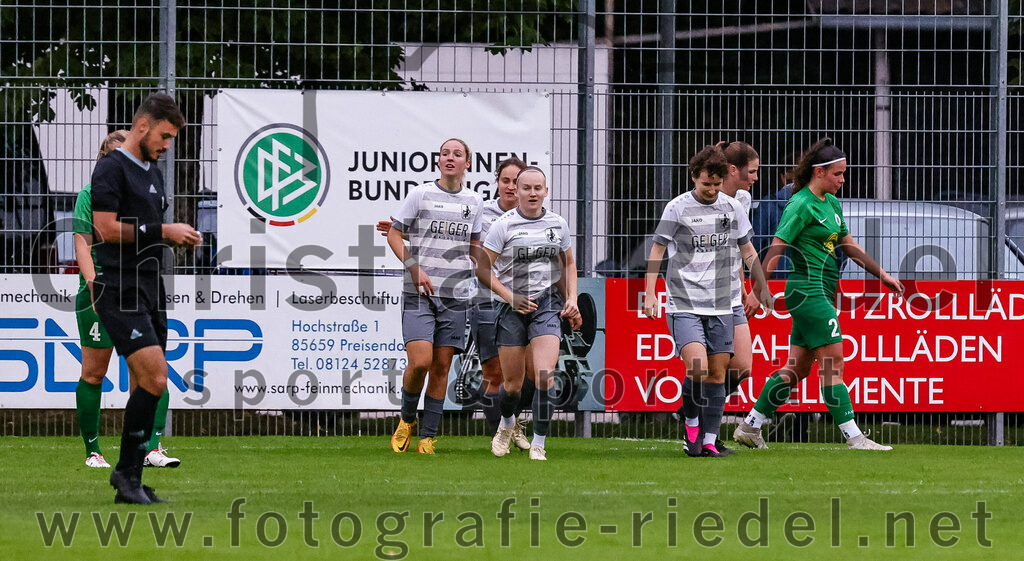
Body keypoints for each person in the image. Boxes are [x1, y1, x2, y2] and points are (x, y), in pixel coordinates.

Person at [733, 138, 904, 451]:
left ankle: (750, 426)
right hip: (807, 290)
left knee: (797, 368)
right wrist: (757, 292)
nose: (843, 179)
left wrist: (882, 275)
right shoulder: (800, 204)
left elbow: (849, 246)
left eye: (843, 173)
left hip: (823, 290)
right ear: (820, 172)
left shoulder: (831, 202)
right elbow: (775, 249)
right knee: (833, 364)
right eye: (838, 174)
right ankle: (855, 437)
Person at [376, 157, 535, 451]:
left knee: (531, 373)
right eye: (506, 181)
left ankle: (508, 424)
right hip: (484, 299)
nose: (512, 187)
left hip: (526, 301)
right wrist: (405, 232)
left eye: (518, 182)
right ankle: (495, 433)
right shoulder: (481, 209)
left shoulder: (541, 219)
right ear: (497, 183)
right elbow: (457, 239)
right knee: (491, 373)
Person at [91, 93, 201, 503]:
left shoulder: (152, 172)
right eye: (165, 136)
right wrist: (162, 232)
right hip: (117, 288)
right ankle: (125, 475)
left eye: (172, 139)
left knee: (149, 382)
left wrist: (177, 239)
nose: (167, 146)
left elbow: (148, 231)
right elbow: (103, 228)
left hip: (150, 287)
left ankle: (131, 481)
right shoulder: (110, 168)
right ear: (143, 126)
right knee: (155, 377)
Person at [643, 145, 770, 458]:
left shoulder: (732, 207)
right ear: (693, 178)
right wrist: (649, 293)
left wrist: (761, 285)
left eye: (716, 185)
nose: (712, 190)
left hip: (722, 303)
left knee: (720, 373)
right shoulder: (676, 208)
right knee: (697, 367)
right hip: (684, 301)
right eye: (705, 185)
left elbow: (748, 250)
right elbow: (658, 250)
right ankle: (691, 424)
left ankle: (710, 440)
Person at [74, 129, 180, 470]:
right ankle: (93, 451)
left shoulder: (144, 192)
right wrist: (93, 285)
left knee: (151, 372)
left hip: (137, 290)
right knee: (94, 373)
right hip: (103, 290)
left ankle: (150, 448)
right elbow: (83, 242)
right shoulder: (90, 194)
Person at [388, 138, 484, 455]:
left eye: (457, 154)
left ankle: (427, 436)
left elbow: (475, 248)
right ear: (438, 161)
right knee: (420, 362)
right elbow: (394, 233)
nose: (450, 158)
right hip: (420, 292)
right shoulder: (421, 194)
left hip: (455, 295)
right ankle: (406, 419)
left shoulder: (474, 201)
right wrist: (414, 268)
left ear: (467, 163)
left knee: (441, 367)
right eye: (445, 153)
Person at [478, 166, 580, 461]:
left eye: (538, 188)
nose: (532, 193)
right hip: (511, 307)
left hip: (546, 304)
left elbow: (568, 264)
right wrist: (511, 298)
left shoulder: (558, 224)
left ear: (546, 191)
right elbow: (482, 269)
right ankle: (507, 423)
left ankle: (539, 443)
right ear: (517, 192)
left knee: (545, 376)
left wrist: (571, 298)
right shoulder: (503, 225)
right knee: (512, 386)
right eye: (526, 188)